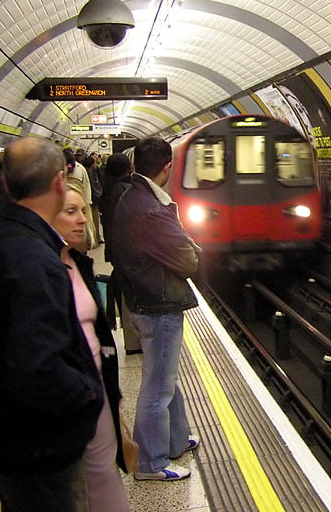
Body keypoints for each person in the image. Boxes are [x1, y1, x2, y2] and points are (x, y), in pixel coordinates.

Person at [0, 137, 103, 512]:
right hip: (40, 446)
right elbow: (36, 366)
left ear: (6, 184)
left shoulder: (5, 238)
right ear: (60, 182)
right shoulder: (34, 259)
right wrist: (86, 393)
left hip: (11, 439)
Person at [113, 137, 201, 481]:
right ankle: (150, 463)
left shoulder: (130, 197)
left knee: (166, 376)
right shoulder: (150, 207)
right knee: (158, 385)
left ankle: (176, 440)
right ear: (167, 167)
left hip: (142, 297)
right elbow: (188, 260)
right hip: (158, 303)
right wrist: (192, 249)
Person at [52, 180, 130, 512]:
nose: (84, 219)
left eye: (84, 210)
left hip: (94, 388)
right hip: (68, 395)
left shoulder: (80, 263)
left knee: (103, 473)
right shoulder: (40, 270)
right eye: (71, 211)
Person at [99, 153, 140, 352]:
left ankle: (131, 339)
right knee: (130, 296)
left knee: (125, 293)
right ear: (126, 168)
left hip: (116, 250)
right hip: (126, 252)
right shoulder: (124, 190)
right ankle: (133, 342)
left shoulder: (109, 188)